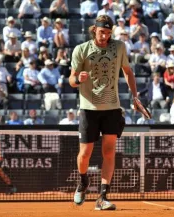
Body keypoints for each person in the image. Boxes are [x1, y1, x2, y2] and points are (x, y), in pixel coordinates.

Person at [69, 15, 138, 210]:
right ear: (94, 31)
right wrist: (78, 80)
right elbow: (71, 80)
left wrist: (135, 96)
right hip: (88, 109)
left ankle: (103, 196)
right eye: (102, 32)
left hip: (112, 109)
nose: (105, 36)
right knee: (85, 154)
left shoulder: (119, 47)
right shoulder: (81, 50)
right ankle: (83, 182)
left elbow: (127, 71)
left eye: (108, 33)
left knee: (109, 152)